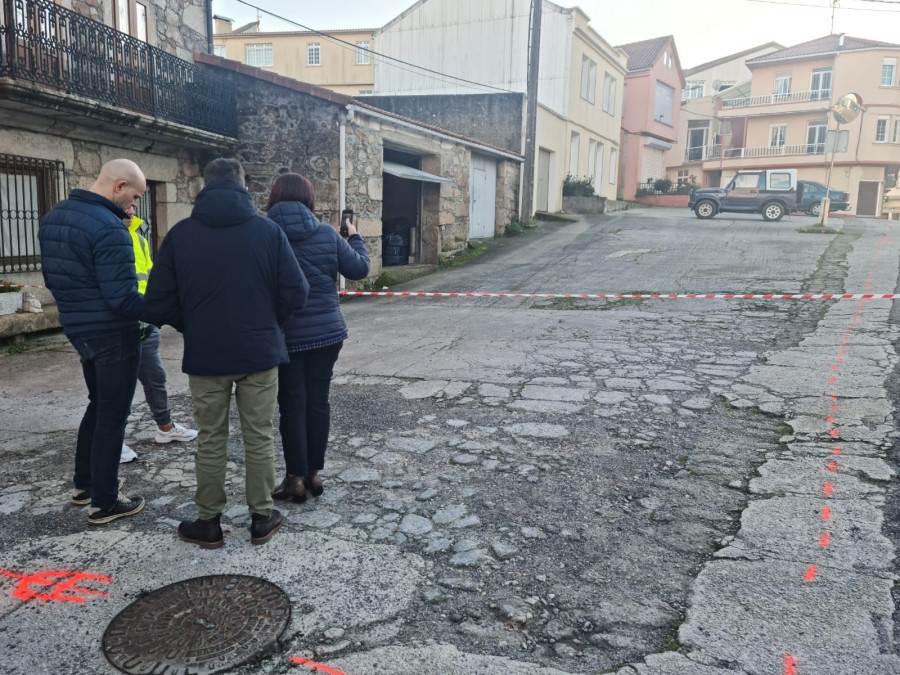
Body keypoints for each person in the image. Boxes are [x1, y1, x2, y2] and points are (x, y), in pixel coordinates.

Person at [143, 158, 308, 549]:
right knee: (259, 435)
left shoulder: (180, 235)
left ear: (204, 186)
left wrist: (191, 323)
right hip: (260, 352)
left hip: (207, 355)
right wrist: (269, 321)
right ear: (244, 186)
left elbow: (156, 303)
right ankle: (262, 518)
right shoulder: (268, 232)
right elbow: (296, 293)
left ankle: (209, 522)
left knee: (211, 438)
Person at [39, 158, 147, 525]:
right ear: (118, 187)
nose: (135, 207)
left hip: (77, 328)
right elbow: (123, 300)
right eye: (134, 197)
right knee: (114, 414)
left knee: (98, 404)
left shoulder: (55, 216)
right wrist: (167, 309)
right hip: (114, 332)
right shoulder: (110, 228)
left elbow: (54, 280)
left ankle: (84, 484)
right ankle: (105, 501)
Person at [265, 173, 369, 503]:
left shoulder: (265, 234)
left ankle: (294, 477)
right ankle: (314, 473)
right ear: (309, 200)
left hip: (286, 336)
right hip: (327, 333)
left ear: (274, 199)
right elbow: (359, 269)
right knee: (318, 401)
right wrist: (354, 237)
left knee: (292, 405)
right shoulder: (326, 233)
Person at [120, 207, 198, 464]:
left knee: (155, 377)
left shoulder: (139, 237)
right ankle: (113, 440)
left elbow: (151, 277)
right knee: (118, 385)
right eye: (127, 203)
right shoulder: (106, 234)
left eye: (134, 204)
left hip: (144, 320)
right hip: (119, 323)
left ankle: (165, 427)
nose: (132, 209)